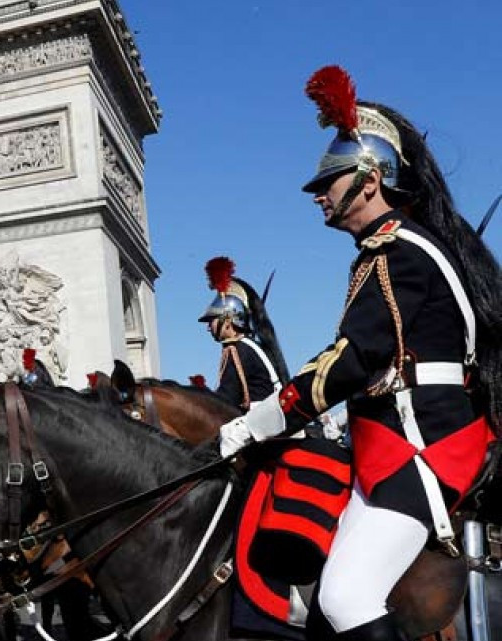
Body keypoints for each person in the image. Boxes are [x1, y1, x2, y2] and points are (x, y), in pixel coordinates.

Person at [219, 66, 502, 640]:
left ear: (370, 180)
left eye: (330, 180)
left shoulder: (399, 252)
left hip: (421, 447)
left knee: (347, 597)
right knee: (319, 595)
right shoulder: (392, 250)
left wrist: (261, 420)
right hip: (388, 445)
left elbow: (352, 360)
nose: (318, 193)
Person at [199, 257, 290, 410]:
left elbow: (226, 399)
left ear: (228, 320)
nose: (209, 327)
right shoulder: (248, 346)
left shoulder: (238, 349)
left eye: (211, 320)